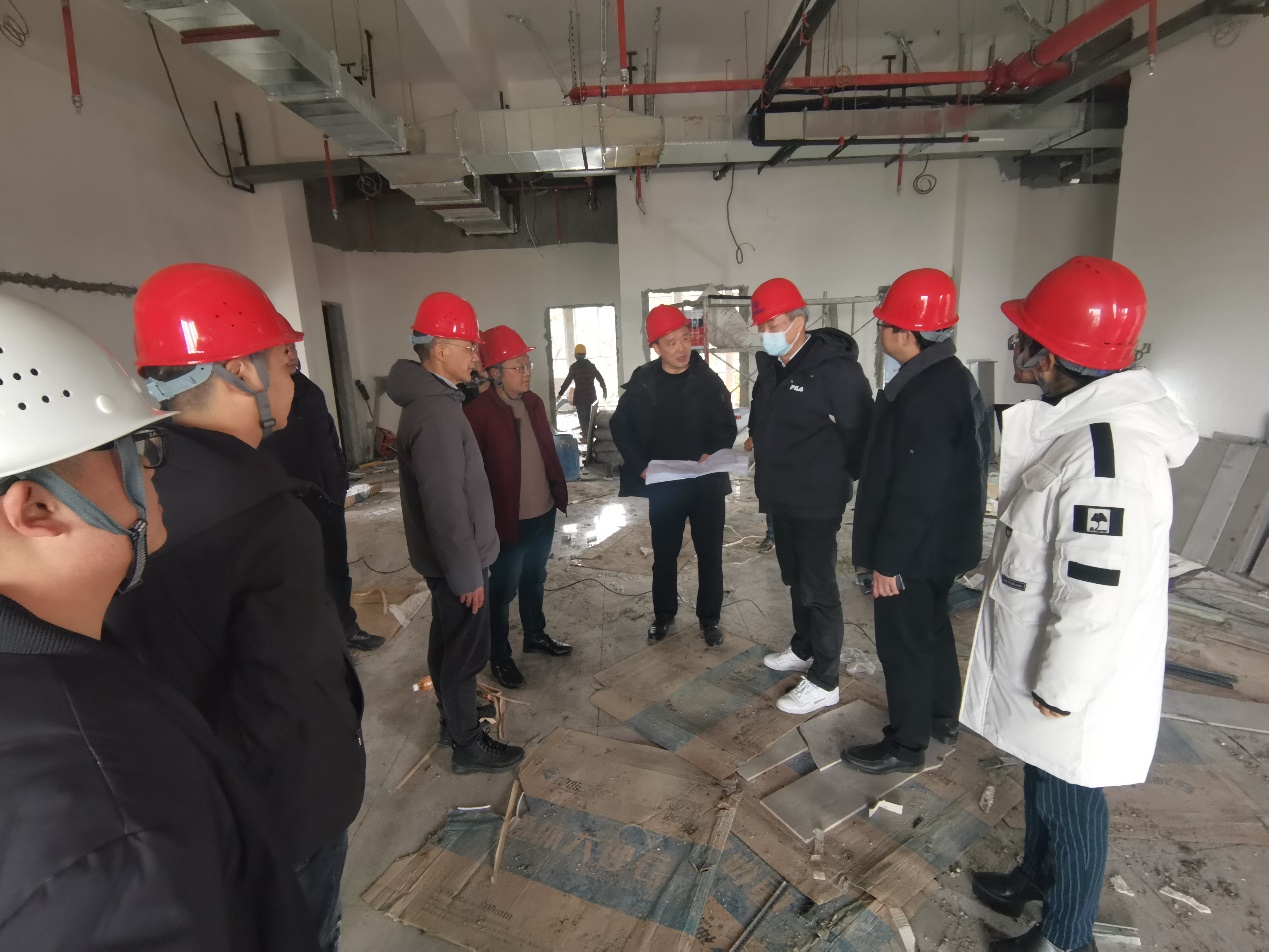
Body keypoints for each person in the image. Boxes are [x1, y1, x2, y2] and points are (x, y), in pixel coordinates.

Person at [0, 294, 318, 950]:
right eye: (133, 448)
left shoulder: (63, 664)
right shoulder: (109, 826)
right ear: (36, 509)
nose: (153, 466)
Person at [106, 264, 366, 952]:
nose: (292, 380)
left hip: (188, 804)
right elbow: (297, 693)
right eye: (284, 362)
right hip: (280, 812)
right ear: (240, 372)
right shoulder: (263, 518)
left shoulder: (136, 484)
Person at [961, 257, 1197, 952]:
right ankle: (1035, 876)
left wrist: (1062, 691)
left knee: (1072, 799)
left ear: (1052, 354)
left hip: (1073, 674)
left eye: (1024, 339)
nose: (1017, 351)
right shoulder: (1079, 435)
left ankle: (1066, 939)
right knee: (1043, 777)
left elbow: (1097, 592)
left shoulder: (1104, 458)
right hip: (1044, 653)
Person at [846, 269, 992, 774]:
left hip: (915, 547)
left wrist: (889, 561)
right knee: (932, 629)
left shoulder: (926, 392)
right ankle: (940, 716)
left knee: (903, 644)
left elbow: (915, 488)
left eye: (884, 326)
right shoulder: (951, 377)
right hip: (942, 542)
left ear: (906, 333)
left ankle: (906, 745)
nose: (880, 334)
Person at [388, 291, 525, 774]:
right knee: (465, 653)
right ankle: (467, 743)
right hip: (458, 564)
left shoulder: (437, 401)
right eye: (468, 347)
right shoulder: (436, 413)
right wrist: (468, 573)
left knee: (449, 642)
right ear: (440, 349)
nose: (476, 357)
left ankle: (456, 717)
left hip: (450, 559)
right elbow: (445, 504)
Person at [750, 277, 874, 715]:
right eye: (761, 325)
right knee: (794, 578)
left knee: (818, 587)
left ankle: (825, 679)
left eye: (774, 323)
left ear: (799, 321)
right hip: (779, 493)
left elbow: (862, 437)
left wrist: (832, 475)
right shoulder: (771, 367)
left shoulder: (837, 372)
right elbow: (763, 418)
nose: (766, 332)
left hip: (817, 498)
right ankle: (803, 648)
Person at [611, 305, 738, 648]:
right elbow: (620, 426)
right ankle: (664, 615)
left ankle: (709, 619)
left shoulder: (708, 380)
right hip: (666, 485)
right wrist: (641, 465)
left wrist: (713, 451)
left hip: (706, 484)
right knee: (664, 555)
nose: (682, 348)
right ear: (655, 347)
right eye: (671, 343)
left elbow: (727, 426)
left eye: (685, 338)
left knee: (710, 555)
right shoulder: (644, 382)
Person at [464, 325, 571, 690]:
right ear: (494, 372)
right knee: (501, 592)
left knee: (535, 578)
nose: (526, 372)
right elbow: (471, 477)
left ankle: (535, 635)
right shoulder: (477, 414)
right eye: (517, 366)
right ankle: (499, 655)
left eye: (527, 365)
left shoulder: (534, 403)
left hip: (543, 512)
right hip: (508, 521)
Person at [261, 344, 384, 652]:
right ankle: (315, 642)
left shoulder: (309, 390)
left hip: (328, 499)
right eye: (283, 351)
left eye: (292, 348)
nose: (292, 355)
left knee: (336, 568)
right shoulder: (259, 401)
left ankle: (347, 628)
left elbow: (330, 437)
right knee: (302, 575)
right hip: (292, 506)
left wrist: (340, 480)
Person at [557, 342, 607, 441]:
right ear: (584, 354)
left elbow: (567, 381)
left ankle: (585, 437)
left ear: (575, 355)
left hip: (580, 397)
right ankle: (589, 436)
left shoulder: (574, 367)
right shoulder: (591, 366)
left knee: (582, 418)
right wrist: (604, 389)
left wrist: (560, 393)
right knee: (590, 418)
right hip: (591, 396)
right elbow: (600, 378)